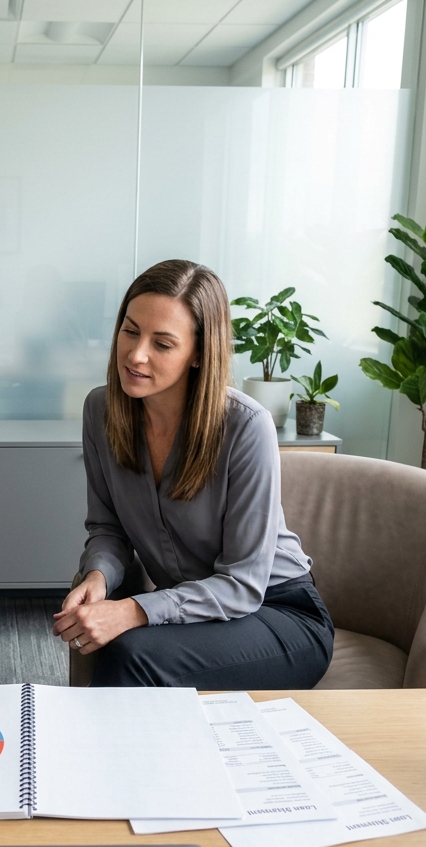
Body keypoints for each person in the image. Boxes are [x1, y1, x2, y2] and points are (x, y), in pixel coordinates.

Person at [52, 259, 334, 689]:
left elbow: (242, 586)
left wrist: (135, 610)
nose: (136, 354)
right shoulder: (100, 410)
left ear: (199, 353)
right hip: (197, 613)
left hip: (277, 613)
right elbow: (107, 529)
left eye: (162, 344)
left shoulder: (245, 426)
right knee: (124, 648)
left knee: (134, 655)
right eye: (130, 331)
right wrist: (98, 576)